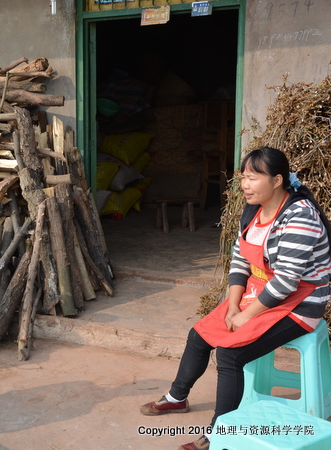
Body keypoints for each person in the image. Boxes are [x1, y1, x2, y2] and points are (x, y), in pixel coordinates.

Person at [140, 147, 331, 450]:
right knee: (199, 335)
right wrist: (231, 307)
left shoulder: (300, 216)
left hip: (300, 302)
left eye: (253, 178)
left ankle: (220, 435)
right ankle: (177, 398)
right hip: (260, 292)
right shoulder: (253, 210)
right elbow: (240, 261)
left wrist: (246, 315)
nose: (245, 185)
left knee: (230, 355)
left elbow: (287, 281)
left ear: (277, 180)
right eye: (243, 177)